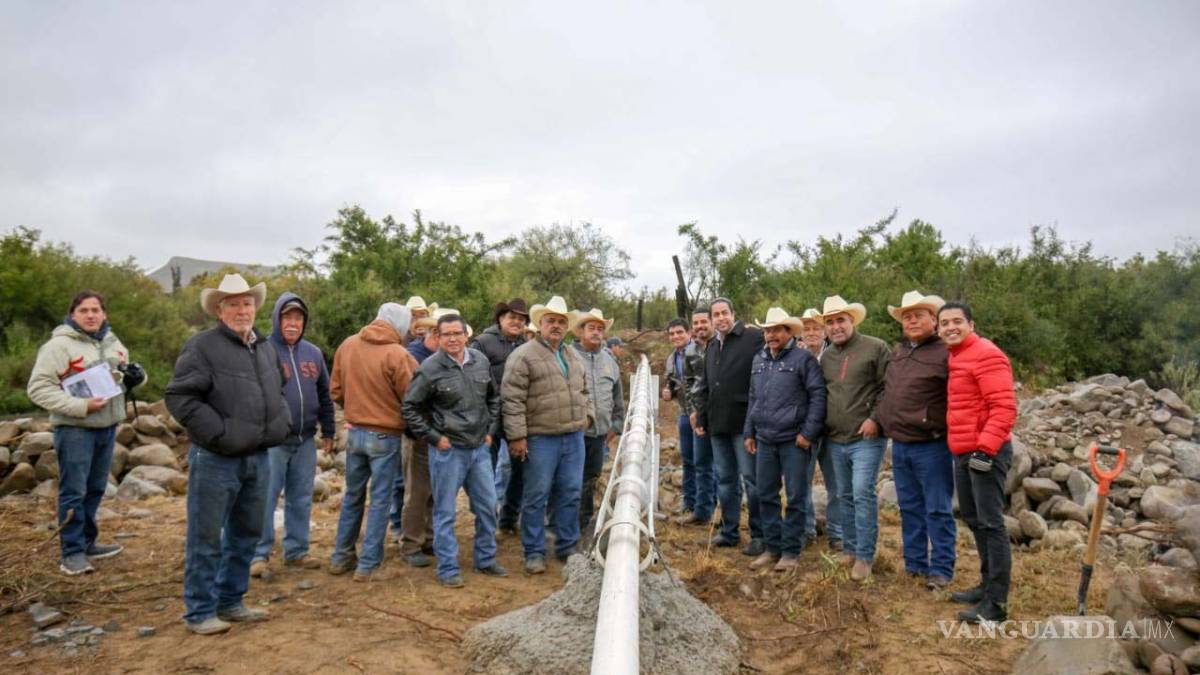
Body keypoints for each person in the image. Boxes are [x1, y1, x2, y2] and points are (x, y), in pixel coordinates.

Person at [166, 274, 292, 635]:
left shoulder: (265, 347)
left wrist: (279, 423)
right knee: (205, 537)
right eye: (233, 304)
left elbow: (278, 390)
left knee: (246, 534)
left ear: (255, 308)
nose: (242, 310)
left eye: (247, 303)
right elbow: (180, 397)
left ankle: (231, 601)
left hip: (260, 457)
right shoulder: (202, 347)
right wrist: (219, 434)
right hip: (216, 459)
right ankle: (200, 611)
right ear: (219, 310)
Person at [27, 290, 133, 576]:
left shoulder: (111, 341)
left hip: (107, 427)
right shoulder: (58, 346)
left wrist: (137, 376)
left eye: (95, 310)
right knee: (73, 491)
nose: (90, 315)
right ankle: (71, 553)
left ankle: (87, 542)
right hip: (75, 429)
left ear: (104, 314)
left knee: (96, 488)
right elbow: (37, 388)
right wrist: (80, 406)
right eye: (84, 310)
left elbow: (123, 375)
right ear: (73, 314)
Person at [402, 313, 507, 587]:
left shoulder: (480, 361)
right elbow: (410, 407)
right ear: (438, 336)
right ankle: (448, 569)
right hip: (449, 452)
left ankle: (485, 559)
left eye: (456, 333)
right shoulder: (430, 368)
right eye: (446, 334)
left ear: (466, 335)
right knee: (445, 512)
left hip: (479, 450)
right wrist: (435, 437)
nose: (452, 339)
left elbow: (494, 398)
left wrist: (489, 432)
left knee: (487, 507)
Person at [328, 303, 418, 581]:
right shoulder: (398, 354)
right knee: (380, 500)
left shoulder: (348, 345)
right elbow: (412, 398)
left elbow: (336, 390)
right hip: (386, 435)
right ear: (400, 325)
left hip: (354, 433)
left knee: (353, 495)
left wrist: (355, 409)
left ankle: (341, 556)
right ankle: (369, 563)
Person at [939, 302, 1017, 623]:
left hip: (985, 453)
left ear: (971, 324)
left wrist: (985, 450)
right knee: (973, 518)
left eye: (957, 321)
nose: (950, 327)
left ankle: (996, 605)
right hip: (963, 451)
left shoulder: (987, 354)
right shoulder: (957, 355)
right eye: (944, 323)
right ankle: (986, 586)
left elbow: (1004, 407)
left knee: (991, 523)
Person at [249, 293, 335, 579]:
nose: (293, 323)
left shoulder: (313, 353)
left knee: (301, 497)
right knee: (265, 497)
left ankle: (296, 551)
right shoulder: (262, 350)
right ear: (277, 319)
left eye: (298, 318)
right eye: (287, 317)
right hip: (272, 441)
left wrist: (329, 431)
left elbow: (324, 393)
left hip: (306, 438)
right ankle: (258, 554)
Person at [502, 296, 590, 574]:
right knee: (536, 495)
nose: (556, 325)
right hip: (541, 438)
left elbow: (584, 390)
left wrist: (588, 416)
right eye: (550, 320)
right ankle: (534, 551)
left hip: (573, 436)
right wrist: (517, 437)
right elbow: (512, 399)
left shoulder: (572, 354)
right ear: (540, 324)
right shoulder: (523, 355)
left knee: (571, 492)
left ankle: (566, 546)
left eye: (561, 321)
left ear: (567, 326)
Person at [877, 291, 956, 590]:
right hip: (900, 443)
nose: (911, 320)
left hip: (932, 444)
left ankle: (942, 569)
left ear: (933, 320)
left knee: (937, 508)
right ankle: (915, 564)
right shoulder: (899, 351)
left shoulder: (945, 352)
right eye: (906, 316)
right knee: (909, 507)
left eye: (918, 315)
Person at [743, 308, 826, 571]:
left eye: (777, 329)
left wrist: (808, 433)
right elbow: (753, 398)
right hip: (765, 438)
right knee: (765, 494)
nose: (771, 335)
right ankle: (772, 547)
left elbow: (818, 397)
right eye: (767, 330)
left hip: (794, 440)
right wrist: (749, 431)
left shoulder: (804, 360)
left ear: (789, 332)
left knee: (796, 497)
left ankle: (791, 552)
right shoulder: (759, 360)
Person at [820, 295, 889, 582]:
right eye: (830, 322)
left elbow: (888, 388)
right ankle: (849, 548)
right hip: (835, 438)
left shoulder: (875, 347)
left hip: (866, 438)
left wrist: (875, 418)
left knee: (862, 493)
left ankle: (864, 556)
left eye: (841, 320)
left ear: (852, 321)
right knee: (844, 495)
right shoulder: (827, 356)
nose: (836, 326)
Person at [692, 297, 765, 555]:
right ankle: (729, 531)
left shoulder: (752, 338)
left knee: (752, 480)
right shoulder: (712, 346)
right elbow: (707, 386)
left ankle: (760, 535)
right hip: (718, 425)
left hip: (744, 424)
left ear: (733, 314)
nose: (721, 318)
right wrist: (702, 416)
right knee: (724, 479)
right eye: (716, 315)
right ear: (711, 320)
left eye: (725, 313)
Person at [472, 298, 530, 531]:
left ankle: (508, 518)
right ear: (501, 319)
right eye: (512, 317)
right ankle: (485, 524)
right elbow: (473, 376)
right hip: (489, 418)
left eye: (521, 319)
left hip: (518, 417)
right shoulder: (483, 343)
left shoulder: (526, 346)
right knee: (485, 472)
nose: (516, 322)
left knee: (521, 470)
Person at [392, 310, 441, 568]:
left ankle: (428, 539)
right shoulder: (414, 357)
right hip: (420, 435)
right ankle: (410, 544)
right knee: (416, 493)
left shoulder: (440, 358)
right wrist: (420, 430)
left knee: (432, 491)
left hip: (439, 435)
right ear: (433, 334)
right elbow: (409, 402)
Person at [571, 308, 624, 537]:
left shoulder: (609, 361)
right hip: (572, 433)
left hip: (599, 434)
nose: (596, 332)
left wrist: (617, 424)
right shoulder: (568, 355)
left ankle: (582, 524)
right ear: (581, 331)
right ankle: (564, 526)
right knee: (570, 479)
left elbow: (617, 395)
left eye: (600, 329)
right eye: (591, 328)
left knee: (590, 479)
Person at [799, 307, 842, 551]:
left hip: (833, 428)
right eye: (807, 328)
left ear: (825, 331)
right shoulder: (794, 355)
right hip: (805, 429)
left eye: (816, 327)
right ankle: (806, 530)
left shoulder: (836, 354)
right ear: (800, 333)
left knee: (835, 485)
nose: (812, 332)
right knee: (801, 482)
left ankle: (837, 532)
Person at [679, 305, 718, 526]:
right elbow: (688, 383)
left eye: (704, 321)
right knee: (701, 463)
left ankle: (723, 511)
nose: (700, 326)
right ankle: (703, 511)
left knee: (724, 467)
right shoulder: (690, 352)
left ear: (711, 322)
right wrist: (693, 410)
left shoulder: (723, 346)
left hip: (722, 415)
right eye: (696, 323)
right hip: (700, 416)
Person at [663, 319, 696, 516]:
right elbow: (672, 385)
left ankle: (707, 501)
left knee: (705, 460)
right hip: (684, 413)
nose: (676, 336)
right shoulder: (671, 359)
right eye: (672, 333)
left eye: (679, 332)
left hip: (701, 414)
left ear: (689, 333)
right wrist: (668, 392)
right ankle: (690, 500)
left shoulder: (700, 352)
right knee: (688, 458)